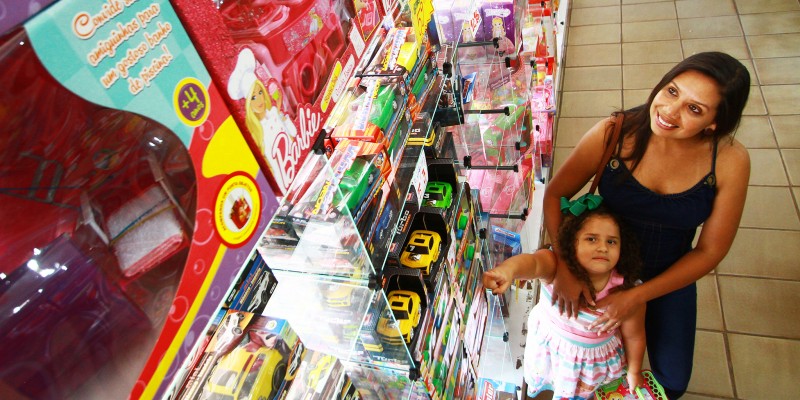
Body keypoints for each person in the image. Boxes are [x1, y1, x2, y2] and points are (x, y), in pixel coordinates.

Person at [544, 51, 751, 398]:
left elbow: (711, 250)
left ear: (715, 123)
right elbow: (555, 195)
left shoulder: (730, 160)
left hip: (669, 275)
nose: (670, 112)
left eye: (694, 109)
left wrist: (637, 296)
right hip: (600, 270)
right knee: (592, 371)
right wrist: (566, 266)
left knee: (672, 380)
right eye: (672, 91)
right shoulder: (615, 130)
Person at [483, 195, 646, 399]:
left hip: (593, 367)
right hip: (551, 352)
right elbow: (532, 264)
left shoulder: (626, 290)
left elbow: (634, 335)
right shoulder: (555, 267)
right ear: (571, 242)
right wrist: (507, 271)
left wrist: (634, 370)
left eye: (611, 241)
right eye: (591, 239)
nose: (603, 247)